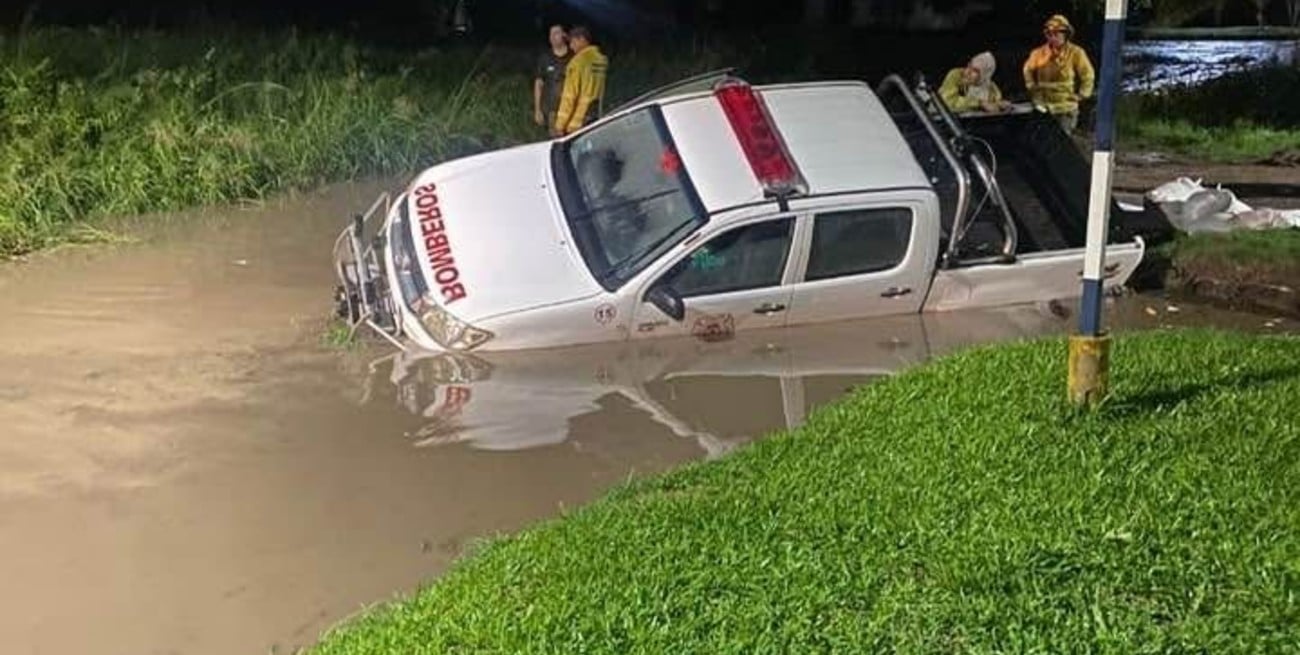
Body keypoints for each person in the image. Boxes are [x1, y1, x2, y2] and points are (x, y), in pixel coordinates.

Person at [1023, 14, 1095, 133]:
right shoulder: (1038, 53)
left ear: (1065, 34)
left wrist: (1082, 95)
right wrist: (1031, 86)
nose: (1053, 37)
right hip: (1043, 106)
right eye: (1049, 34)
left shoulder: (1076, 53)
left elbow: (1088, 75)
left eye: (1057, 33)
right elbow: (1027, 69)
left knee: (1062, 140)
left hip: (1065, 106)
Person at [552, 25, 608, 137]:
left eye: (573, 42)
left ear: (582, 39)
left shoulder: (577, 63)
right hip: (596, 116)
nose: (571, 47)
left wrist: (559, 125)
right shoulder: (602, 60)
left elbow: (569, 97)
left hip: (577, 123)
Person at [939, 51, 1011, 114]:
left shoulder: (990, 87)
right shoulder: (955, 75)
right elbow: (947, 103)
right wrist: (979, 103)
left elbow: (995, 102)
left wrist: (1000, 104)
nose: (968, 72)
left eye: (975, 71)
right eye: (969, 66)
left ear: (984, 76)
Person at [533, 24, 571, 132]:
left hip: (571, 109)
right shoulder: (545, 58)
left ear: (564, 35)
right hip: (552, 111)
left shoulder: (573, 56)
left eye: (556, 33)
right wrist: (537, 110)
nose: (552, 37)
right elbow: (538, 84)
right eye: (551, 34)